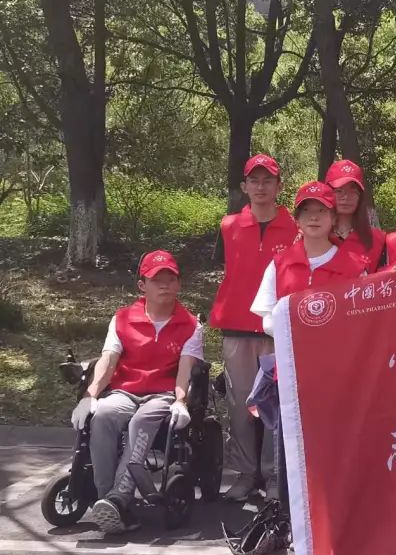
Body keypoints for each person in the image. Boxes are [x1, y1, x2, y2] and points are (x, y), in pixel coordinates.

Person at [247, 181, 369, 498]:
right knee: (290, 442)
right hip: (290, 369)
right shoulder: (279, 263)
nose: (314, 218)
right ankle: (289, 510)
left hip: (337, 373)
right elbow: (266, 316)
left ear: (333, 218)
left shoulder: (353, 266)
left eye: (321, 211)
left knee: (333, 443)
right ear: (297, 219)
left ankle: (336, 508)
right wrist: (298, 330)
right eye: (307, 211)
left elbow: (362, 320)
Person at [70, 251, 203, 534]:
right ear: (142, 285)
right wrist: (89, 395)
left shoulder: (191, 325)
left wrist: (181, 400)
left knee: (141, 421)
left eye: (171, 279)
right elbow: (108, 361)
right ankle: (107, 500)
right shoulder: (122, 319)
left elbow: (186, 368)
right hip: (125, 391)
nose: (164, 284)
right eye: (157, 280)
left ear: (179, 284)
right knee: (103, 416)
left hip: (162, 395)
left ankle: (117, 499)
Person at [209, 153, 297, 502]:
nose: (261, 187)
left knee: (276, 405)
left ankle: (275, 475)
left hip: (278, 330)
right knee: (240, 405)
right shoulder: (229, 225)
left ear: (279, 186)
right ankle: (246, 474)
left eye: (268, 181)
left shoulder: (295, 227)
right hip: (236, 327)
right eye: (254, 181)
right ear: (244, 186)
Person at [325, 159, 386, 271]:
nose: (346, 197)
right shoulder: (314, 236)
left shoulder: (377, 240)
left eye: (353, 191)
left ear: (360, 196)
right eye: (339, 191)